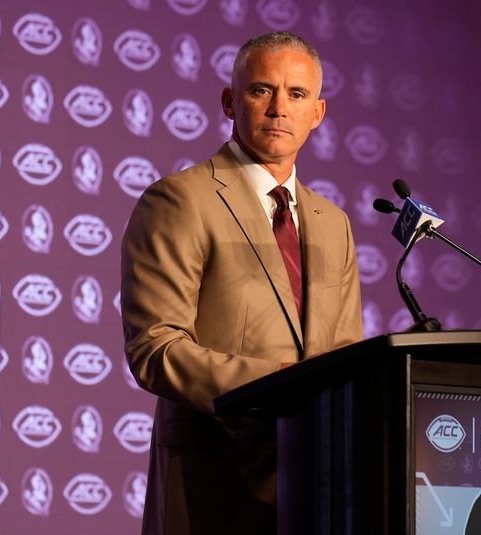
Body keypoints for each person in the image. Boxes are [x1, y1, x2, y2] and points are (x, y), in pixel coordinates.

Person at [121, 31, 363, 535]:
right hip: (213, 484)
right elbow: (156, 348)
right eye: (261, 90)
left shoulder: (332, 221)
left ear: (317, 113)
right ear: (231, 101)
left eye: (296, 95)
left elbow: (345, 359)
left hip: (317, 489)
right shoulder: (180, 201)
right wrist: (279, 382)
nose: (279, 108)